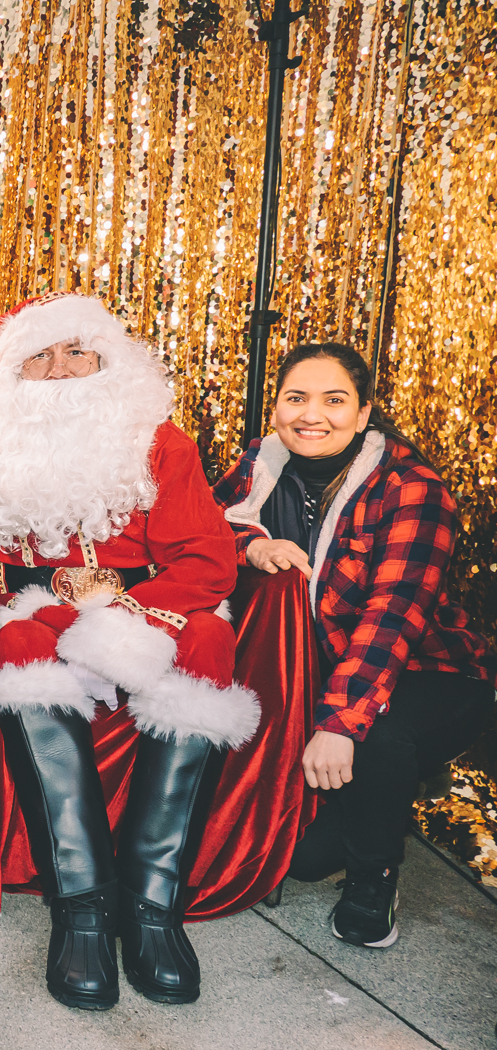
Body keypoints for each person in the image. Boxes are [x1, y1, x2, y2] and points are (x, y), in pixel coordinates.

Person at [0, 292, 259, 1010]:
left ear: (108, 360)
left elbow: (207, 560)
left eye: (76, 352)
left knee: (210, 637)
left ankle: (152, 906)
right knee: (18, 643)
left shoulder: (161, 442)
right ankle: (82, 907)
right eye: (40, 357)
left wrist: (126, 618)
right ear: (12, 375)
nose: (60, 371)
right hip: (36, 607)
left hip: (153, 601)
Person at [215, 342, 495, 949]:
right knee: (303, 860)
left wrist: (340, 722)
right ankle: (374, 793)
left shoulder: (412, 487)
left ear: (364, 413)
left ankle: (375, 879)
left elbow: (392, 618)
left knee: (378, 739)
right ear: (275, 406)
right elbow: (205, 528)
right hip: (321, 662)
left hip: (427, 671)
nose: (311, 414)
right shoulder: (260, 462)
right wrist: (250, 545)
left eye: (334, 400)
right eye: (296, 398)